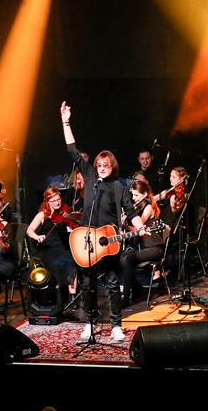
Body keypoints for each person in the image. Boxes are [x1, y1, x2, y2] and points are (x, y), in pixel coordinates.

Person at [61, 100, 141, 342]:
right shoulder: (89, 176)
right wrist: (65, 121)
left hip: (110, 241)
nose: (102, 168)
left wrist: (140, 227)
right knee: (86, 284)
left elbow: (132, 211)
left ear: (112, 166)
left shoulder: (121, 187)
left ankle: (116, 325)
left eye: (106, 165)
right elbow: (72, 150)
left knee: (113, 283)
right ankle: (90, 323)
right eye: (99, 165)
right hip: (86, 239)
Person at [120, 179, 166, 306]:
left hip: (154, 248)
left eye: (136, 195)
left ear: (145, 194)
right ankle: (137, 288)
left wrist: (126, 224)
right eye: (133, 195)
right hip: (144, 248)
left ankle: (126, 296)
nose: (134, 199)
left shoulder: (149, 207)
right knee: (121, 257)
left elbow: (138, 228)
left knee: (127, 259)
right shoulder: (140, 207)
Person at [26, 187, 77, 296]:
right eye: (53, 201)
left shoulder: (65, 212)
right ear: (47, 202)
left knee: (71, 261)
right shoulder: (42, 215)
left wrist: (71, 228)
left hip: (63, 245)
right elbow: (29, 230)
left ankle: (72, 295)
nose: (57, 203)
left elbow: (69, 231)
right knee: (57, 263)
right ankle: (58, 294)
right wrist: (37, 237)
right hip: (48, 247)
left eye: (58, 200)